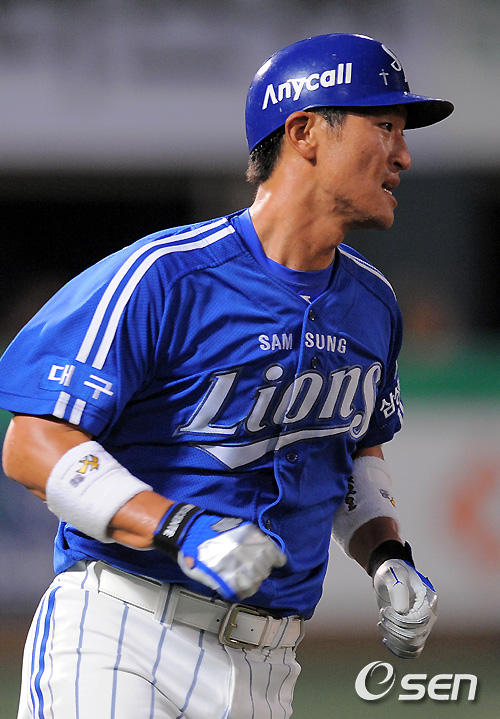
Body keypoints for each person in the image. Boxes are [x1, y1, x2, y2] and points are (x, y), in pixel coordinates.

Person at [0, 33, 453, 719]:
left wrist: (387, 554)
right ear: (304, 132)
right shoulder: (167, 277)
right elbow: (32, 443)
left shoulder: (373, 304)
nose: (403, 154)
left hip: (270, 666)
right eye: (384, 126)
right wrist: (182, 527)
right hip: (125, 633)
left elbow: (352, 451)